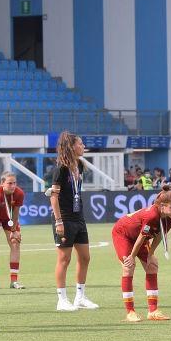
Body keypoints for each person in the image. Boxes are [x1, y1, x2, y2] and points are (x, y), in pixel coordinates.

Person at [111, 186, 171, 322]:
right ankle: (130, 312)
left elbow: (160, 235)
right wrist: (131, 256)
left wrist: (151, 253)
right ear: (162, 206)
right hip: (123, 235)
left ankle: (153, 311)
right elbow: (142, 237)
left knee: (152, 264)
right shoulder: (152, 215)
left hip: (139, 238)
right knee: (128, 266)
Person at [50, 131, 98, 311]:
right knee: (64, 258)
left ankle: (80, 296)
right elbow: (53, 197)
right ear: (71, 146)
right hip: (64, 218)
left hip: (79, 217)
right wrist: (58, 221)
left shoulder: (79, 165)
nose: (83, 146)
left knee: (85, 257)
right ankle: (61, 299)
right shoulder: (60, 168)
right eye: (80, 143)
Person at [0, 172, 25, 290]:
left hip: (9, 217)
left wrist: (14, 230)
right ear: (2, 183)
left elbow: (16, 212)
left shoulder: (19, 193)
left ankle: (14, 281)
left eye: (14, 183)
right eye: (9, 183)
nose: (13, 186)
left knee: (15, 242)